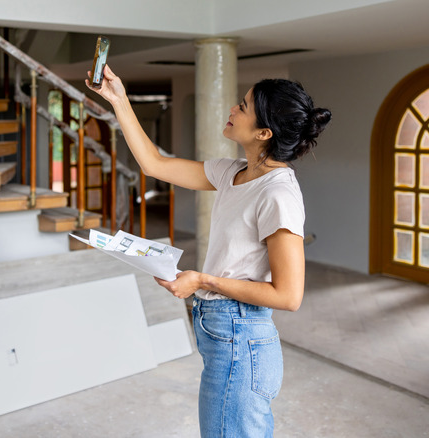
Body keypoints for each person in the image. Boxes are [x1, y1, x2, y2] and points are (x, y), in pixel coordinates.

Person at [87, 65, 331, 437]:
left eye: (243, 107)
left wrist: (202, 280)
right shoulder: (233, 173)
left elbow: (288, 295)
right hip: (223, 331)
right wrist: (118, 99)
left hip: (241, 335)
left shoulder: (277, 194)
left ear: (264, 133)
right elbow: (154, 164)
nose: (232, 110)